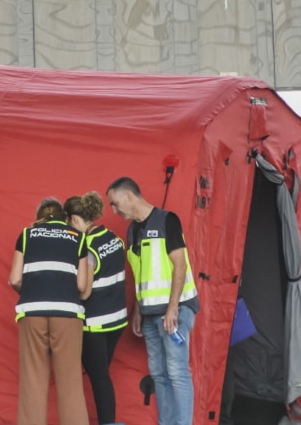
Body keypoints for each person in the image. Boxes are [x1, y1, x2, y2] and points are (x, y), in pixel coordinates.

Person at [106, 176, 198, 425]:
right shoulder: (132, 230)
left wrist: (172, 309)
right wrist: (137, 310)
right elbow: (140, 274)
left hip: (174, 310)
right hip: (149, 313)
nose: (114, 210)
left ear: (129, 195)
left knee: (177, 371)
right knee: (159, 374)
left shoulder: (167, 220)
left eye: (115, 203)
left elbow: (179, 264)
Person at [8, 197, 92, 425]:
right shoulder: (79, 238)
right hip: (67, 314)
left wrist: (34, 289)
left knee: (32, 381)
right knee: (70, 383)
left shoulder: (26, 235)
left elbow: (14, 278)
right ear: (65, 218)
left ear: (40, 217)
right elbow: (82, 286)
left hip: (32, 312)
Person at [64, 192, 127, 425]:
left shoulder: (87, 246)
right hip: (118, 320)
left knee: (99, 377)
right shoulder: (112, 237)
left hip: (96, 324)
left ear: (75, 220)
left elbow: (85, 291)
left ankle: (108, 422)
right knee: (101, 374)